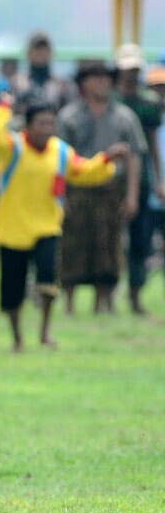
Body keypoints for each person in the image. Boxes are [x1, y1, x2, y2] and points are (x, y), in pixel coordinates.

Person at [0, 95, 126, 351]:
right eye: (41, 123)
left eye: (51, 123)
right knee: (12, 290)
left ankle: (44, 331)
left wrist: (107, 160)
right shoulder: (13, 146)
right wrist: (3, 109)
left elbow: (83, 171)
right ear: (28, 125)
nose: (47, 129)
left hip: (47, 227)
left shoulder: (60, 151)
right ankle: (17, 338)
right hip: (12, 229)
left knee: (49, 281)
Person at [57, 60, 147, 314]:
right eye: (95, 78)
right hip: (78, 188)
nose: (102, 83)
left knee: (108, 244)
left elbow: (134, 157)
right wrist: (60, 196)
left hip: (111, 189)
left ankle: (103, 302)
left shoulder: (124, 117)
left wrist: (131, 195)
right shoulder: (69, 116)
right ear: (83, 84)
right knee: (73, 244)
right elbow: (60, 158)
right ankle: (70, 302)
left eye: (106, 78)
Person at [113, 44, 163, 315]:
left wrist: (159, 178)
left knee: (140, 240)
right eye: (127, 68)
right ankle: (106, 296)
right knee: (109, 239)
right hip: (111, 180)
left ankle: (135, 294)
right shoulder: (110, 101)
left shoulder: (149, 104)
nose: (131, 74)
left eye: (135, 69)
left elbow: (153, 144)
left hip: (141, 179)